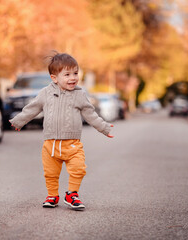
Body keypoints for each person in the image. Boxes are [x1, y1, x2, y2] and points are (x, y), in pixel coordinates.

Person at [9, 52, 113, 211]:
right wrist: (19, 121)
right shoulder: (45, 93)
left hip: (72, 144)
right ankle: (52, 195)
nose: (73, 78)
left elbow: (90, 114)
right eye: (67, 74)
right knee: (50, 173)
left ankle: (72, 194)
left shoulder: (79, 95)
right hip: (50, 145)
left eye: (75, 73)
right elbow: (33, 108)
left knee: (79, 169)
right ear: (54, 78)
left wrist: (104, 127)